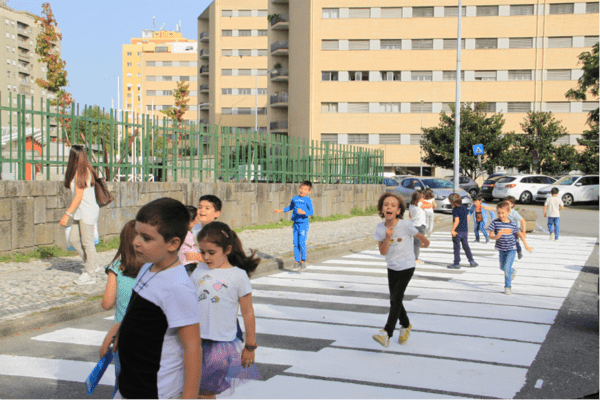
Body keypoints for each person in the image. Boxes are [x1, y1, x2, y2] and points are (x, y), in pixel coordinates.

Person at [100, 198, 202, 399]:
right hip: (130, 385)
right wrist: (117, 329)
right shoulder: (147, 267)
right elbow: (137, 311)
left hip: (156, 391)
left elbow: (192, 347)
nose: (135, 242)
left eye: (146, 238)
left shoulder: (178, 287)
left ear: (173, 243)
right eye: (136, 233)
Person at [191, 221, 261, 398]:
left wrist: (250, 346)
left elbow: (248, 312)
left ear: (227, 249)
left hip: (220, 345)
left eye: (211, 253)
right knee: (196, 391)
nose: (206, 257)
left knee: (205, 393)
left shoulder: (238, 275)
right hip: (193, 341)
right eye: (203, 252)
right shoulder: (199, 271)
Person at [372, 193, 429, 347]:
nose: (389, 207)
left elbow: (419, 236)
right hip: (392, 267)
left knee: (395, 298)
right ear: (382, 210)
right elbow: (383, 252)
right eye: (386, 205)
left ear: (398, 211)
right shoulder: (380, 228)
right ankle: (405, 325)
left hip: (407, 266)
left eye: (393, 205)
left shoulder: (405, 225)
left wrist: (425, 242)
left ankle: (386, 332)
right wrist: (386, 237)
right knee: (395, 298)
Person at [100, 220, 144, 397]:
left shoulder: (117, 267)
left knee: (121, 383)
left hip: (121, 335)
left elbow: (107, 303)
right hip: (147, 333)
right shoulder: (152, 268)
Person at [59, 144, 100, 285]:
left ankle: (91, 275)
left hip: (87, 211)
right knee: (74, 239)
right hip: (80, 212)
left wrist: (66, 215)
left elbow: (78, 197)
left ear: (73, 156)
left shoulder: (81, 172)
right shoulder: (81, 171)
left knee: (87, 243)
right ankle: (92, 264)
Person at [488, 201, 533, 295]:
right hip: (501, 249)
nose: (501, 215)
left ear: (508, 212)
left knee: (506, 268)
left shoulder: (512, 224)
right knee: (502, 267)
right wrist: (496, 237)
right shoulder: (495, 223)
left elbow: (520, 234)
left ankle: (507, 287)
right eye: (499, 213)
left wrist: (526, 245)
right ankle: (513, 271)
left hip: (511, 249)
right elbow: (490, 235)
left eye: (503, 213)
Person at [274, 180, 314, 270]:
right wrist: (280, 210)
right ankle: (296, 261)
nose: (302, 190)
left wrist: (304, 212)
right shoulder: (295, 198)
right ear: (299, 188)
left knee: (301, 242)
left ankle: (303, 261)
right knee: (295, 243)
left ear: (309, 191)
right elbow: (290, 207)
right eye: (302, 188)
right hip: (295, 224)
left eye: (305, 189)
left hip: (304, 224)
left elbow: (311, 211)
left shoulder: (308, 200)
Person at [447, 193, 478, 269]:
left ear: (452, 202)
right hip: (464, 231)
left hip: (457, 231)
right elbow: (468, 217)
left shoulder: (455, 210)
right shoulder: (464, 207)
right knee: (466, 246)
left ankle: (456, 263)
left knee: (457, 247)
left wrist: (452, 230)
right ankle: (471, 261)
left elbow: (456, 221)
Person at [180, 205, 203, 275]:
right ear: (191, 220)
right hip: (189, 266)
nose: (197, 221)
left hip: (187, 266)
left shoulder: (183, 232)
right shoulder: (187, 234)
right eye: (197, 218)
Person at [409, 190, 427, 264]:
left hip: (413, 224)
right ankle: (415, 259)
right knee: (417, 243)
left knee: (415, 242)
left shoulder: (411, 204)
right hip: (419, 225)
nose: (424, 198)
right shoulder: (420, 204)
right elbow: (430, 205)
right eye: (422, 196)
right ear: (419, 197)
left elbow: (410, 215)